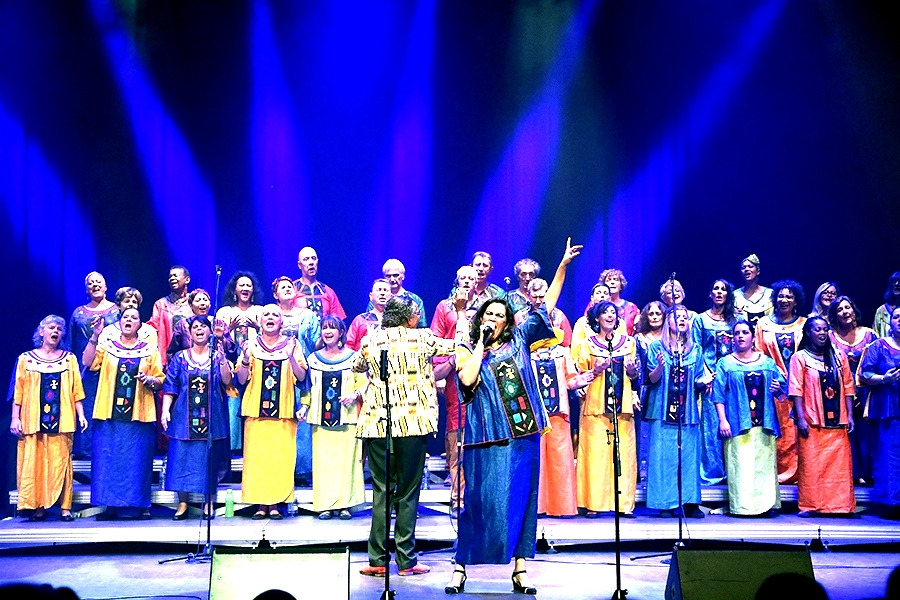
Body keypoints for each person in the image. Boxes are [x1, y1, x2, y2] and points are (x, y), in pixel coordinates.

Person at [446, 238, 581, 596]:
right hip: (483, 435)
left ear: (508, 322)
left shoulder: (520, 338)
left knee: (521, 500)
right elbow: (467, 378)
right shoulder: (466, 347)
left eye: (498, 315)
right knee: (478, 502)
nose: (492, 319)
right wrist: (478, 342)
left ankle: (520, 569)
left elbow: (548, 303)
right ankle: (461, 567)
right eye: (487, 314)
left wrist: (562, 266)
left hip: (522, 435)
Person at [355, 295, 461, 578]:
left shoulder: (371, 339)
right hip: (412, 424)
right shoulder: (423, 338)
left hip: (377, 424)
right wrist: (461, 315)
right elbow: (458, 345)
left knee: (381, 492)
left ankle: (377, 559)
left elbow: (356, 367)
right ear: (409, 318)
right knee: (407, 492)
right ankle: (405, 561)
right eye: (415, 313)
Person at [84, 308, 164, 520]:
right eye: (125, 317)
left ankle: (139, 504)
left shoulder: (149, 349)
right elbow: (88, 363)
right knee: (108, 459)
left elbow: (159, 379)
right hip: (109, 415)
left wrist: (150, 380)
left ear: (140, 324)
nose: (129, 320)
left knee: (138, 460)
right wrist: (95, 336)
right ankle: (109, 504)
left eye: (134, 317)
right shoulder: (107, 346)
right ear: (119, 322)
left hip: (139, 415)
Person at [524, 280, 591, 517]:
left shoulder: (561, 351)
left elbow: (571, 379)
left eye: (544, 295)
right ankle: (537, 507)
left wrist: (586, 378)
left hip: (558, 412)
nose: (541, 299)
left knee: (560, 459)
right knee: (536, 460)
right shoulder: (525, 336)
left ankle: (560, 506)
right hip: (533, 413)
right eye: (536, 295)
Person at [11, 316, 87, 521]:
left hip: (62, 421)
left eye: (59, 329)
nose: (56, 331)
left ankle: (65, 508)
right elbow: (18, 391)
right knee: (35, 463)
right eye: (51, 327)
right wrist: (15, 419)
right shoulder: (26, 359)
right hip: (33, 420)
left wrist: (81, 415)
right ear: (41, 331)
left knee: (61, 464)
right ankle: (38, 507)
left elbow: (76, 390)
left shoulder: (69, 358)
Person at [235, 304, 307, 520]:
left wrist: (291, 358)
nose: (270, 318)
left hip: (283, 412)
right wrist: (246, 358)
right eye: (266, 314)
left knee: (279, 459)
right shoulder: (250, 345)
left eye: (275, 314)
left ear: (281, 321)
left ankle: (275, 503)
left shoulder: (292, 344)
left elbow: (302, 377)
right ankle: (260, 504)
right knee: (257, 459)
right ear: (260, 320)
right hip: (256, 412)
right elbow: (240, 379)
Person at [161, 316, 232, 520]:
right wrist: (166, 410)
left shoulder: (217, 356)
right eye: (195, 327)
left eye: (203, 327)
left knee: (208, 459)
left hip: (211, 417)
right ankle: (182, 503)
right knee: (180, 458)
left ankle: (208, 502)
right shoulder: (180, 358)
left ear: (209, 332)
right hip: (184, 417)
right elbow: (171, 386)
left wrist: (223, 352)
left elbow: (227, 381)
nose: (199, 330)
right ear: (189, 333)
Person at [572, 301, 639, 517]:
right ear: (597, 319)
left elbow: (635, 377)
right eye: (605, 313)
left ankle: (624, 504)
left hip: (623, 407)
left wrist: (633, 372)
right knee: (595, 455)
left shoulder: (629, 343)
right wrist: (595, 370)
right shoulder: (586, 345)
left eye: (613, 312)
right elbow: (578, 379)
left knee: (623, 455)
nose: (610, 316)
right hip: (596, 407)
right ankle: (594, 503)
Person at [712, 319, 784, 517]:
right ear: (732, 338)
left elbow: (782, 385)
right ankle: (742, 507)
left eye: (745, 332)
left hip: (764, 424)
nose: (741, 336)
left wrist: (778, 388)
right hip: (737, 423)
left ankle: (766, 506)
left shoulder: (767, 362)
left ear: (752, 337)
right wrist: (722, 420)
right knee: (740, 466)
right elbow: (718, 394)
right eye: (737, 333)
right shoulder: (725, 363)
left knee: (764, 466)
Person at [298, 315, 366, 520]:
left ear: (341, 333)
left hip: (347, 419)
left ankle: (344, 505)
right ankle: (325, 505)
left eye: (332, 328)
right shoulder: (313, 359)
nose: (328, 331)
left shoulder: (354, 357)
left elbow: (363, 382)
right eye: (324, 328)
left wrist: (354, 395)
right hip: (321, 421)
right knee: (324, 463)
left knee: (347, 463)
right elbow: (308, 387)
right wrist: (304, 406)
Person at [644, 304, 709, 519]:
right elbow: (652, 379)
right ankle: (665, 502)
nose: (681, 319)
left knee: (689, 456)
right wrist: (660, 367)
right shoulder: (656, 347)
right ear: (667, 321)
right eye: (676, 316)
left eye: (684, 317)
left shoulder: (696, 349)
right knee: (664, 456)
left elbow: (699, 378)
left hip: (688, 410)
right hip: (662, 410)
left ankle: (690, 502)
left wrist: (705, 382)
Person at [789, 316, 856, 517]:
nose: (821, 333)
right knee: (812, 466)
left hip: (838, 422)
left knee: (840, 467)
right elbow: (796, 390)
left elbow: (848, 387)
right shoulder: (799, 358)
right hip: (811, 421)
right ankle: (811, 505)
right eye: (817, 329)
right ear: (808, 333)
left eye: (825, 329)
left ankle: (841, 506)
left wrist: (851, 415)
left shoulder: (839, 357)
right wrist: (800, 419)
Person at [430, 265, 480, 518]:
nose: (468, 281)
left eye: (472, 278)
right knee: (456, 437)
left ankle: (479, 495)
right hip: (453, 377)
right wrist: (443, 368)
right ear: (457, 280)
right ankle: (458, 496)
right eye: (464, 278)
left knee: (480, 436)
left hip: (482, 377)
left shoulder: (486, 305)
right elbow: (435, 340)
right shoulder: (444, 307)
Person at [755, 280, 805, 484]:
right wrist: (776, 377)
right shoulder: (763, 324)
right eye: (780, 296)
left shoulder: (804, 323)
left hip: (801, 387)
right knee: (776, 430)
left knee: (796, 430)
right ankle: (773, 475)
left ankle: (796, 474)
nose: (784, 299)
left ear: (796, 301)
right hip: (772, 386)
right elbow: (758, 353)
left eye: (789, 296)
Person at [67, 272, 119, 459]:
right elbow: (70, 343)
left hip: (112, 369)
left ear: (106, 287)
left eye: (99, 282)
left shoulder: (116, 311)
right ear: (86, 289)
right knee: (87, 408)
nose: (95, 285)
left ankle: (110, 450)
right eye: (91, 283)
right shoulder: (78, 313)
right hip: (85, 371)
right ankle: (85, 452)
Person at [691, 279, 737, 486]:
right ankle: (712, 472)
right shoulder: (700, 320)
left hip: (733, 378)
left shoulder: (736, 320)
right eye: (715, 289)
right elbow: (697, 348)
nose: (719, 292)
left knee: (734, 423)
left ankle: (734, 471)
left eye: (723, 289)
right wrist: (707, 375)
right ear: (710, 294)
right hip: (710, 380)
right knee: (711, 426)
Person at [828, 295, 878, 485]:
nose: (844, 312)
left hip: (866, 392)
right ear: (835, 315)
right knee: (846, 434)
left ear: (853, 310)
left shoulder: (869, 334)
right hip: (839, 391)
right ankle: (852, 475)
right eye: (839, 310)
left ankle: (870, 474)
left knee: (866, 434)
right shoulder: (831, 336)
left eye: (847, 308)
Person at [858, 305, 900, 519]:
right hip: (887, 409)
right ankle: (890, 503)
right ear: (890, 322)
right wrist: (885, 379)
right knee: (888, 455)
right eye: (897, 316)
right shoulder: (878, 346)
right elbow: (864, 375)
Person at [215, 271, 263, 453]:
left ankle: (253, 447)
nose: (245, 288)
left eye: (248, 285)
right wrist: (230, 330)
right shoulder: (225, 312)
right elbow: (218, 339)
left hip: (256, 364)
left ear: (253, 290)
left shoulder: (260, 311)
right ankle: (233, 449)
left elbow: (269, 337)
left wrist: (257, 327)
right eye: (241, 285)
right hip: (230, 363)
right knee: (232, 403)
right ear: (234, 289)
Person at [148, 265, 193, 367]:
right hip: (167, 359)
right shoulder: (160, 304)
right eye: (170, 276)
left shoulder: (194, 303)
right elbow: (152, 330)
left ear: (187, 279)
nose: (172, 278)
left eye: (175, 275)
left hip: (192, 357)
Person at [365, 259, 427, 327]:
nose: (392, 279)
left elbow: (422, 326)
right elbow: (367, 322)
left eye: (395, 275)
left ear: (403, 276)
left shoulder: (415, 299)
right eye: (388, 276)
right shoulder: (377, 300)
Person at [514, 278, 572, 347]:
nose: (538, 301)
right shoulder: (520, 317)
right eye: (534, 297)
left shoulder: (559, 316)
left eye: (541, 297)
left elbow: (567, 344)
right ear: (528, 295)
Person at [293, 246, 346, 320]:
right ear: (299, 265)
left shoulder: (327, 291)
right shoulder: (292, 289)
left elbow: (338, 322)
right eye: (306, 259)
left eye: (313, 258)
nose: (311, 262)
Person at [347, 279, 392, 351]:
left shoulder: (397, 320)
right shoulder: (360, 320)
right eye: (379, 290)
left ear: (391, 296)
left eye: (385, 290)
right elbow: (348, 346)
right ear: (371, 296)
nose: (382, 293)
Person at [570, 282, 612, 355]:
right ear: (592, 297)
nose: (602, 296)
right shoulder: (582, 323)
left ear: (610, 298)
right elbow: (575, 351)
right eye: (598, 293)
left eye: (605, 293)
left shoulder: (618, 323)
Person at [734, 254, 773, 328]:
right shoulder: (735, 295)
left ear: (758, 271)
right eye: (743, 267)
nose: (746, 269)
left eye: (750, 266)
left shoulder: (770, 294)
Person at [600, 268, 640, 335]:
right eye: (609, 280)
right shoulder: (596, 306)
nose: (612, 282)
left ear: (621, 286)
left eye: (616, 280)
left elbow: (638, 330)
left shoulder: (631, 307)